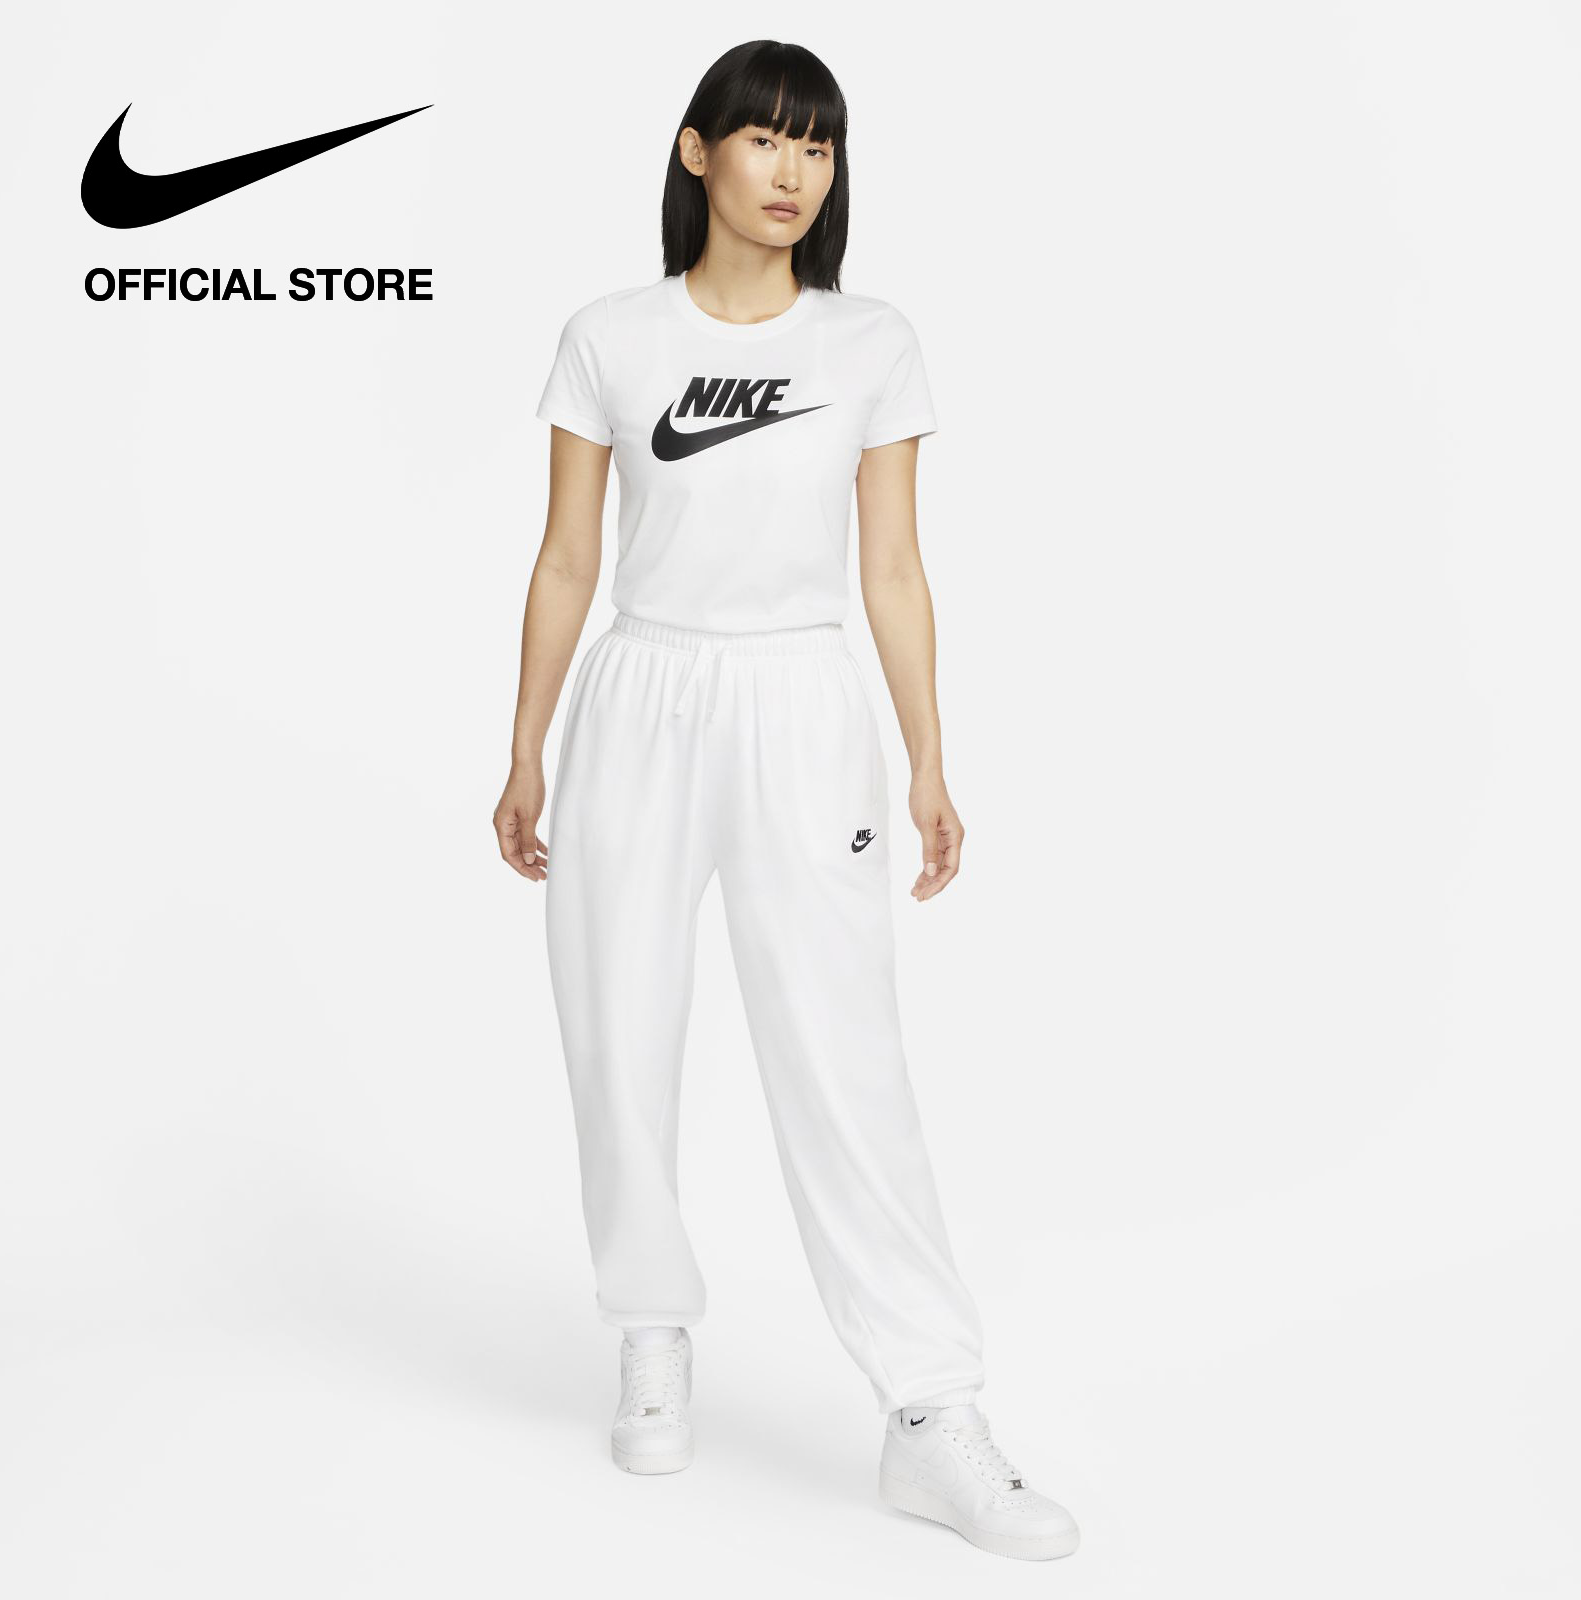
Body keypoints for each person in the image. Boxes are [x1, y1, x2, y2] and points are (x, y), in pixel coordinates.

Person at [494, 39, 1079, 1563]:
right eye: (763, 138)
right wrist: (527, 747)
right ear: (698, 153)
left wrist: (928, 755)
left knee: (842, 1051)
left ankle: (930, 1408)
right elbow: (568, 558)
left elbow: (894, 566)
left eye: (817, 145)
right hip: (642, 692)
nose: (793, 170)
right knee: (617, 1027)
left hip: (803, 706)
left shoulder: (870, 343)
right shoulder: (609, 337)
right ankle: (650, 1330)